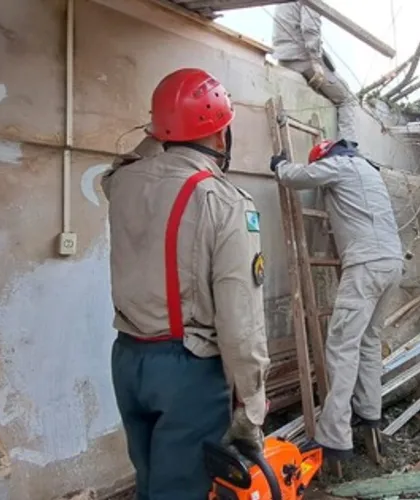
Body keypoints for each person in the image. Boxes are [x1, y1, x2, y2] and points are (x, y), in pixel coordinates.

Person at [102, 68, 269, 499]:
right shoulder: (224, 200)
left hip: (128, 359)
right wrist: (250, 409)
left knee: (150, 482)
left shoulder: (121, 183)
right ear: (220, 136)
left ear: (159, 131)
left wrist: (157, 131)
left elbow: (127, 161)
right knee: (179, 492)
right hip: (187, 372)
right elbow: (240, 319)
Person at [270, 139, 403, 460]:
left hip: (366, 265)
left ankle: (334, 438)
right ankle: (369, 411)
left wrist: (279, 165)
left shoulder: (339, 165)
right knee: (369, 342)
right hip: (393, 264)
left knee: (342, 346)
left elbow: (295, 177)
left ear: (325, 157)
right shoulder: (368, 170)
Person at [272, 2, 358, 140]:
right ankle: (347, 151)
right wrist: (316, 61)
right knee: (348, 100)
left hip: (284, 57)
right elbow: (310, 27)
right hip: (302, 57)